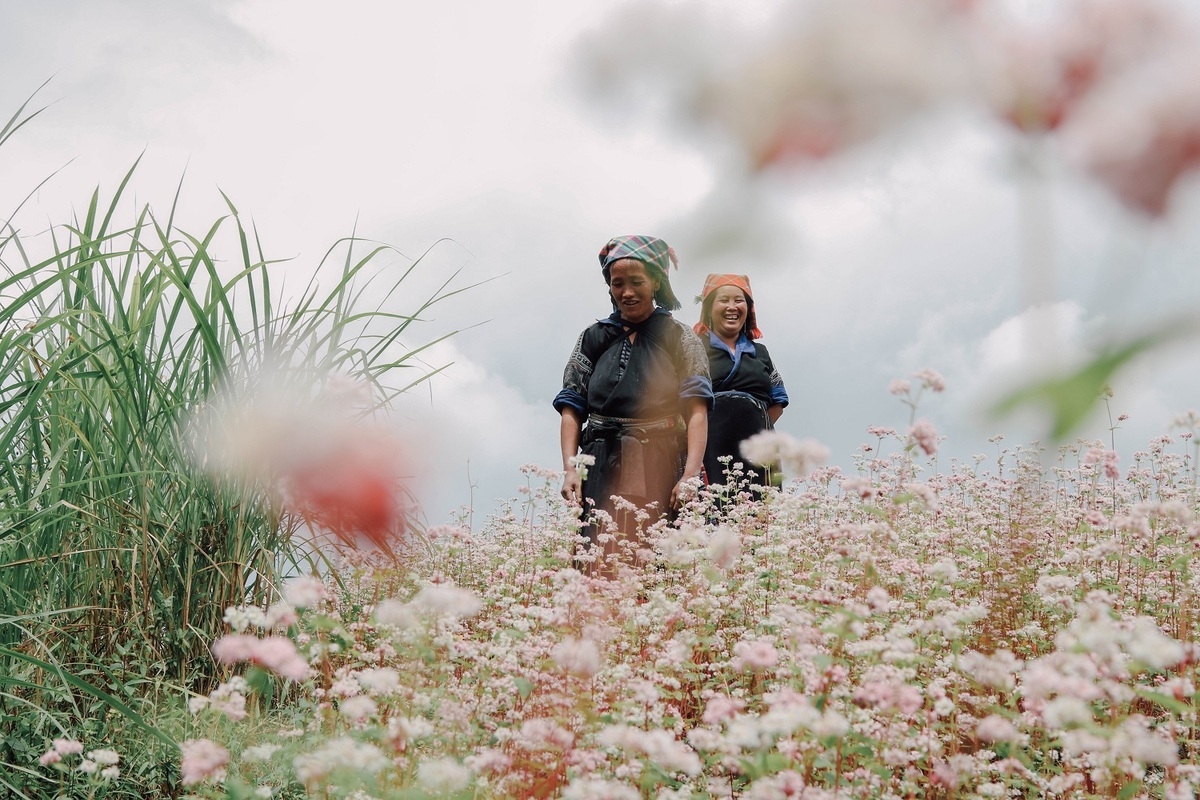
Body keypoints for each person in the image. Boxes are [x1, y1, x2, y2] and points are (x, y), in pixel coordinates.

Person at [554, 235, 712, 571]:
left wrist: (690, 475)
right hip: (600, 458)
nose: (627, 292)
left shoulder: (679, 337)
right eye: (618, 283)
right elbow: (571, 408)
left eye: (637, 282)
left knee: (656, 557)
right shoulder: (593, 337)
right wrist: (570, 469)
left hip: (662, 456)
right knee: (598, 555)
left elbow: (696, 411)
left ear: (656, 281)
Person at [694, 273, 788, 488]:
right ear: (709, 308)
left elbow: (778, 401)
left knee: (758, 513)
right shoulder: (695, 347)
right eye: (723, 300)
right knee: (713, 509)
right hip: (710, 447)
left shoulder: (760, 352)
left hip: (759, 451)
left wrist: (751, 428)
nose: (732, 307)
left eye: (738, 300)